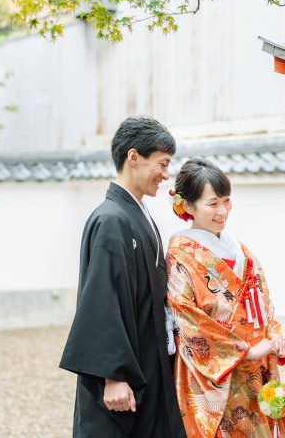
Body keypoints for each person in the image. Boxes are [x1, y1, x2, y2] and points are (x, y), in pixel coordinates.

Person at [60, 115, 186, 438]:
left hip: (148, 362)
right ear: (134, 157)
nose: (165, 174)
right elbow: (103, 300)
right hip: (124, 378)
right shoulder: (112, 219)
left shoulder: (136, 213)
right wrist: (112, 376)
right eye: (162, 163)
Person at [166, 158, 285, 438]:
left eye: (226, 201)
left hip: (256, 369)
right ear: (187, 206)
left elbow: (264, 303)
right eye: (212, 204)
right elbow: (185, 316)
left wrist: (274, 335)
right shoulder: (181, 251)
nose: (222, 211)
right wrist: (245, 351)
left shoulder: (240, 249)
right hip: (215, 371)